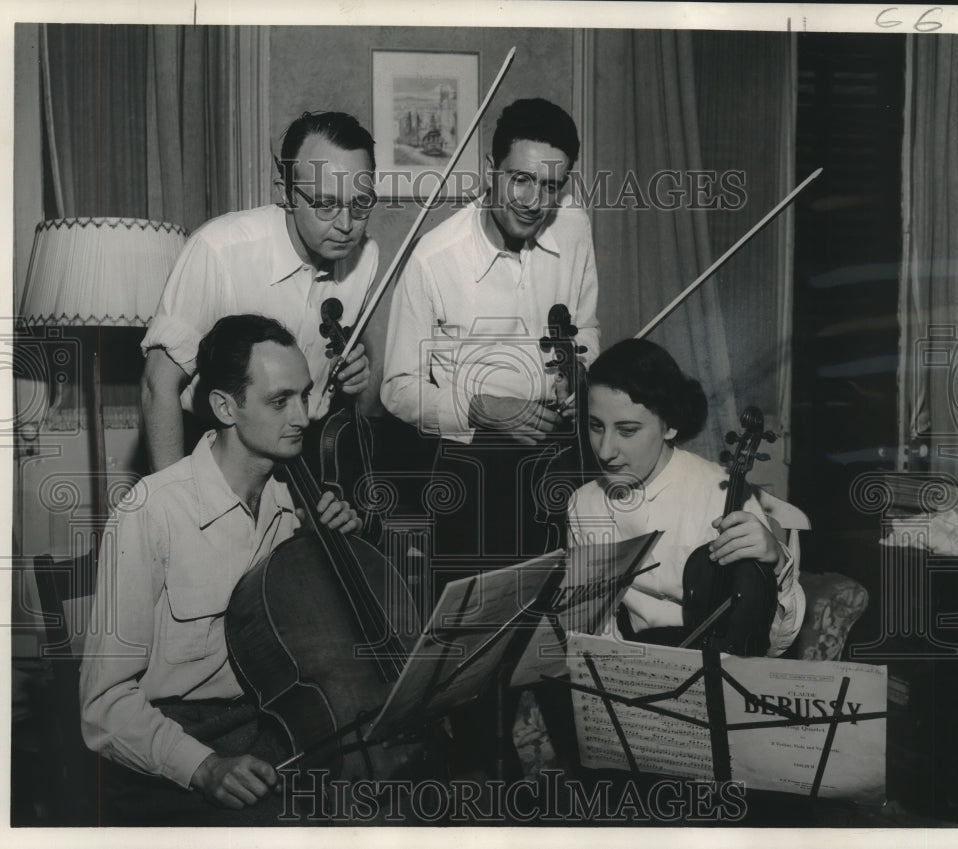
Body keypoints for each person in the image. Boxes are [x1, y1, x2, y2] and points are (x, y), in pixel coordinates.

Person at [80, 315, 362, 825]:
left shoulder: (294, 505)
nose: (302, 416)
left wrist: (345, 547)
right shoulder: (152, 510)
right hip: (178, 745)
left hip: (274, 726)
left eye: (305, 395)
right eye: (280, 401)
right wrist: (204, 767)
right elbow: (104, 706)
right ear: (225, 407)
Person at [381, 97, 600, 572]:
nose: (535, 203)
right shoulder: (433, 259)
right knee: (478, 622)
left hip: (563, 454)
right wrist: (480, 405)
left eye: (551, 186)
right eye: (520, 180)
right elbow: (397, 389)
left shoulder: (575, 228)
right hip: (476, 472)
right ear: (490, 170)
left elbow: (585, 327)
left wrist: (578, 371)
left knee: (569, 607)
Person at [141, 111, 377, 473]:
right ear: (285, 193)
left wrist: (350, 375)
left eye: (360, 204)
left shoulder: (366, 257)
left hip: (303, 453)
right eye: (326, 204)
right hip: (213, 446)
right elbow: (158, 385)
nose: (346, 225)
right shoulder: (219, 250)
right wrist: (174, 504)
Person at [567, 338, 804, 655]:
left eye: (627, 431)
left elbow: (775, 644)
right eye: (596, 426)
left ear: (670, 426)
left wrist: (777, 566)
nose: (605, 451)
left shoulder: (722, 495)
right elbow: (595, 626)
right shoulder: (584, 504)